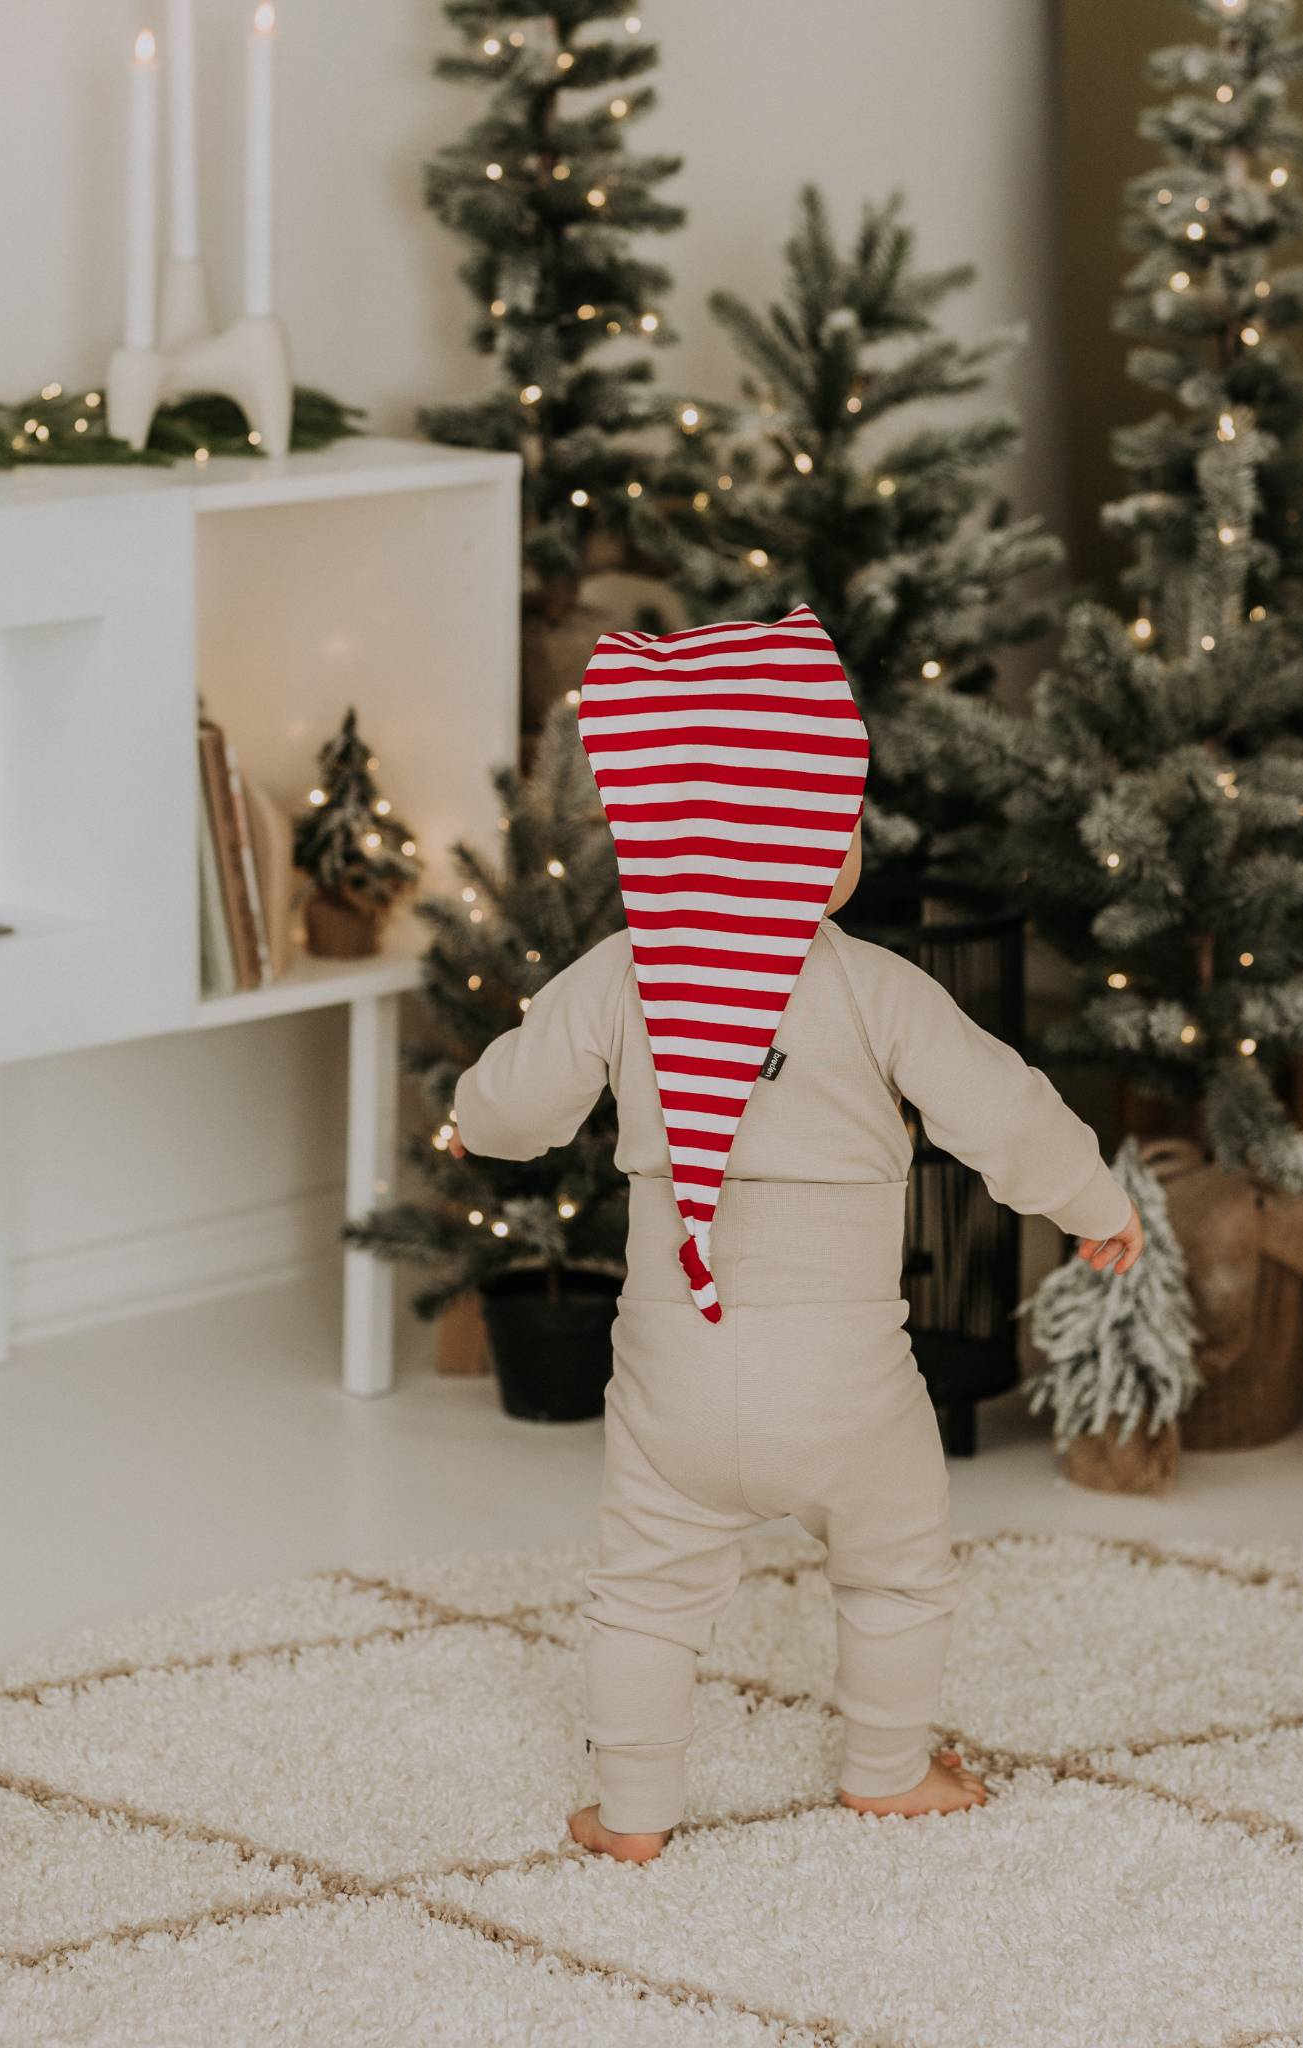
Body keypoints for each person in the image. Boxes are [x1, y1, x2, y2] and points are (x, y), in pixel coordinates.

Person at [449, 606, 1145, 1865]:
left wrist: (469, 1113)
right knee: (896, 1565)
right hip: (846, 1379)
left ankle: (634, 1810)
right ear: (822, 848)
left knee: (646, 1591)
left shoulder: (623, 973)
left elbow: (509, 1104)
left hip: (676, 1363)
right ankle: (886, 1767)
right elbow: (1005, 1111)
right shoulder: (875, 987)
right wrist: (1097, 1203)